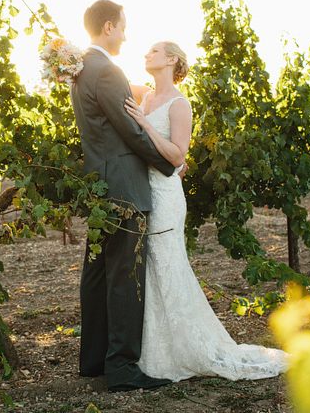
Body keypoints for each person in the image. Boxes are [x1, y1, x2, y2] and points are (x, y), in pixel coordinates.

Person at [124, 41, 289, 382]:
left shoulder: (179, 104)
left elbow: (177, 156)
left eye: (154, 51)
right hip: (144, 191)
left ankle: (186, 350)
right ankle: (154, 350)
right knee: (152, 271)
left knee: (168, 266)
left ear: (172, 59)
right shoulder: (146, 96)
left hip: (167, 196)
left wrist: (146, 124)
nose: (146, 54)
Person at [70, 0, 175, 392]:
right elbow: (130, 131)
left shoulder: (80, 69)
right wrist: (167, 165)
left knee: (97, 274)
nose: (127, 37)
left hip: (99, 185)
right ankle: (124, 369)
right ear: (109, 26)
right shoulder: (106, 70)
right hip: (124, 188)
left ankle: (95, 361)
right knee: (124, 276)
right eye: (124, 28)